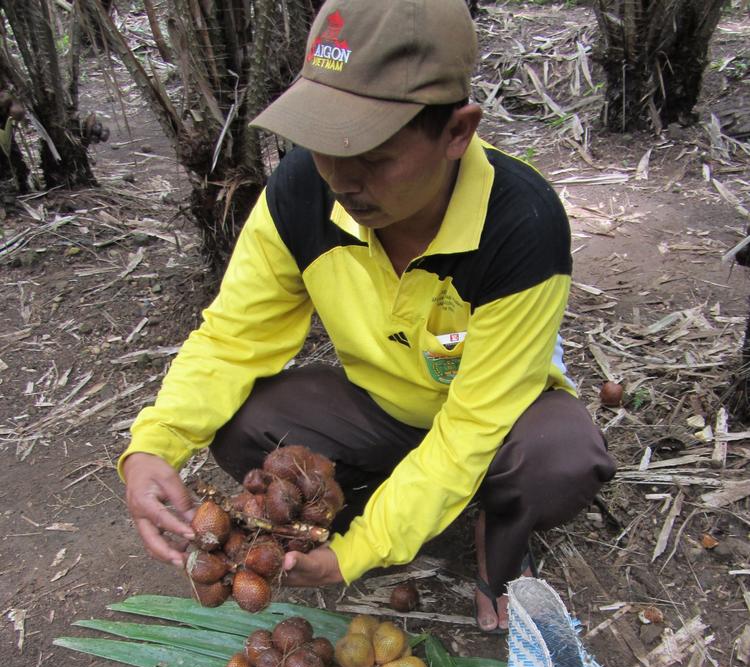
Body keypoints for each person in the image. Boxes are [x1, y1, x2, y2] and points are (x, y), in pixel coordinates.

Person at [120, 0, 616, 633]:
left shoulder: (521, 224)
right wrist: (152, 446)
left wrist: (355, 554)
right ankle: (376, 507)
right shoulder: (301, 192)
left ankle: (493, 516)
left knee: (560, 460)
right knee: (245, 423)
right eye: (324, 145)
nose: (342, 179)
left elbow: (473, 425)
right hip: (382, 411)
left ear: (457, 132)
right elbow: (233, 337)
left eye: (374, 155)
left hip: (500, 422)